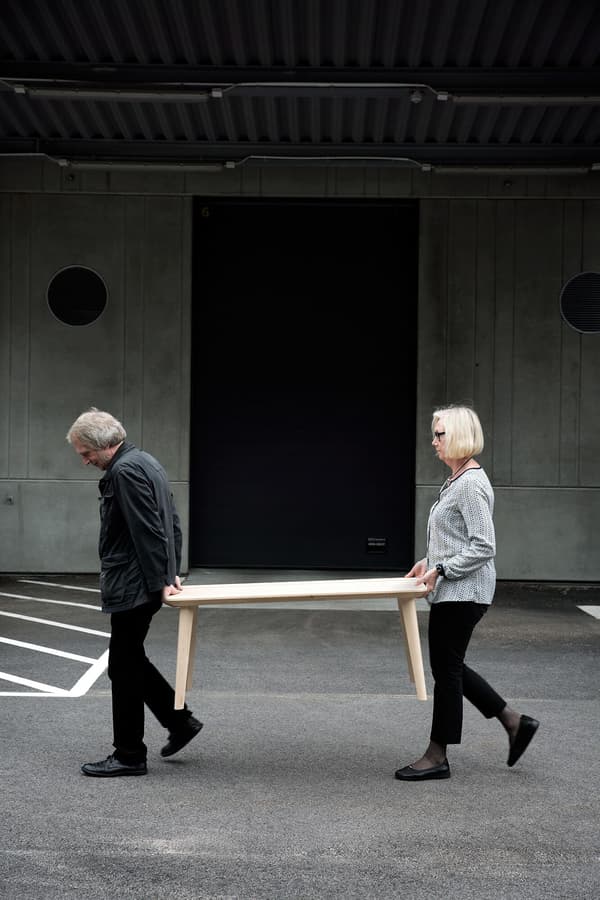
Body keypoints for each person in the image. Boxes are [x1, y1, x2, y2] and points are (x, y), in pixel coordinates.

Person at [395, 405, 539, 781]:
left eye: (439, 434)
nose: (434, 441)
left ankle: (437, 755)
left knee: (447, 671)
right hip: (453, 588)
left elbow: (483, 546)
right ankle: (513, 722)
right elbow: (455, 539)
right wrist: (427, 562)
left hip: (465, 591)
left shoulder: (471, 484)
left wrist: (441, 570)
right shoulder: (457, 480)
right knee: (450, 666)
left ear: (458, 435)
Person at [66, 408, 203, 777]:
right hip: (143, 579)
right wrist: (169, 571)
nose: (85, 461)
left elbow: (147, 529)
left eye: (85, 453)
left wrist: (163, 578)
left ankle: (129, 754)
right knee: (129, 660)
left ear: (103, 445)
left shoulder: (124, 472)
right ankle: (179, 722)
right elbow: (170, 521)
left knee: (123, 667)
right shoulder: (145, 462)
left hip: (133, 584)